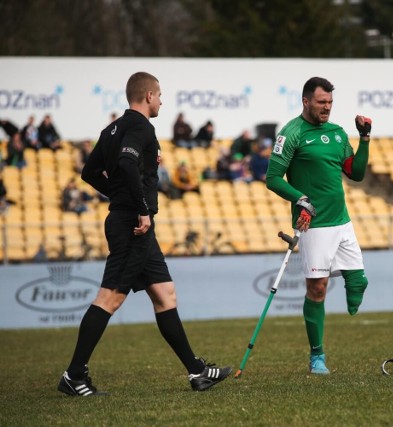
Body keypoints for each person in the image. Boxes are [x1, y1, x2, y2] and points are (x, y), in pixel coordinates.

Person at [58, 72, 231, 397]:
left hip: (131, 222)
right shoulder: (140, 126)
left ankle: (196, 371)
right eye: (160, 95)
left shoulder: (113, 128)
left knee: (165, 294)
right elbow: (125, 162)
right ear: (149, 95)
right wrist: (137, 206)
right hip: (132, 224)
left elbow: (90, 172)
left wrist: (123, 190)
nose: (162, 101)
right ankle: (73, 375)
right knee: (110, 298)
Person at [266, 76, 372, 375]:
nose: (327, 108)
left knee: (359, 280)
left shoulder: (338, 134)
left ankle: (355, 291)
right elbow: (272, 179)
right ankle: (317, 357)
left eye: (330, 103)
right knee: (318, 289)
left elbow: (356, 173)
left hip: (342, 220)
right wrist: (300, 197)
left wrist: (364, 139)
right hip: (312, 223)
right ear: (306, 101)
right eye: (322, 102)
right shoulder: (291, 133)